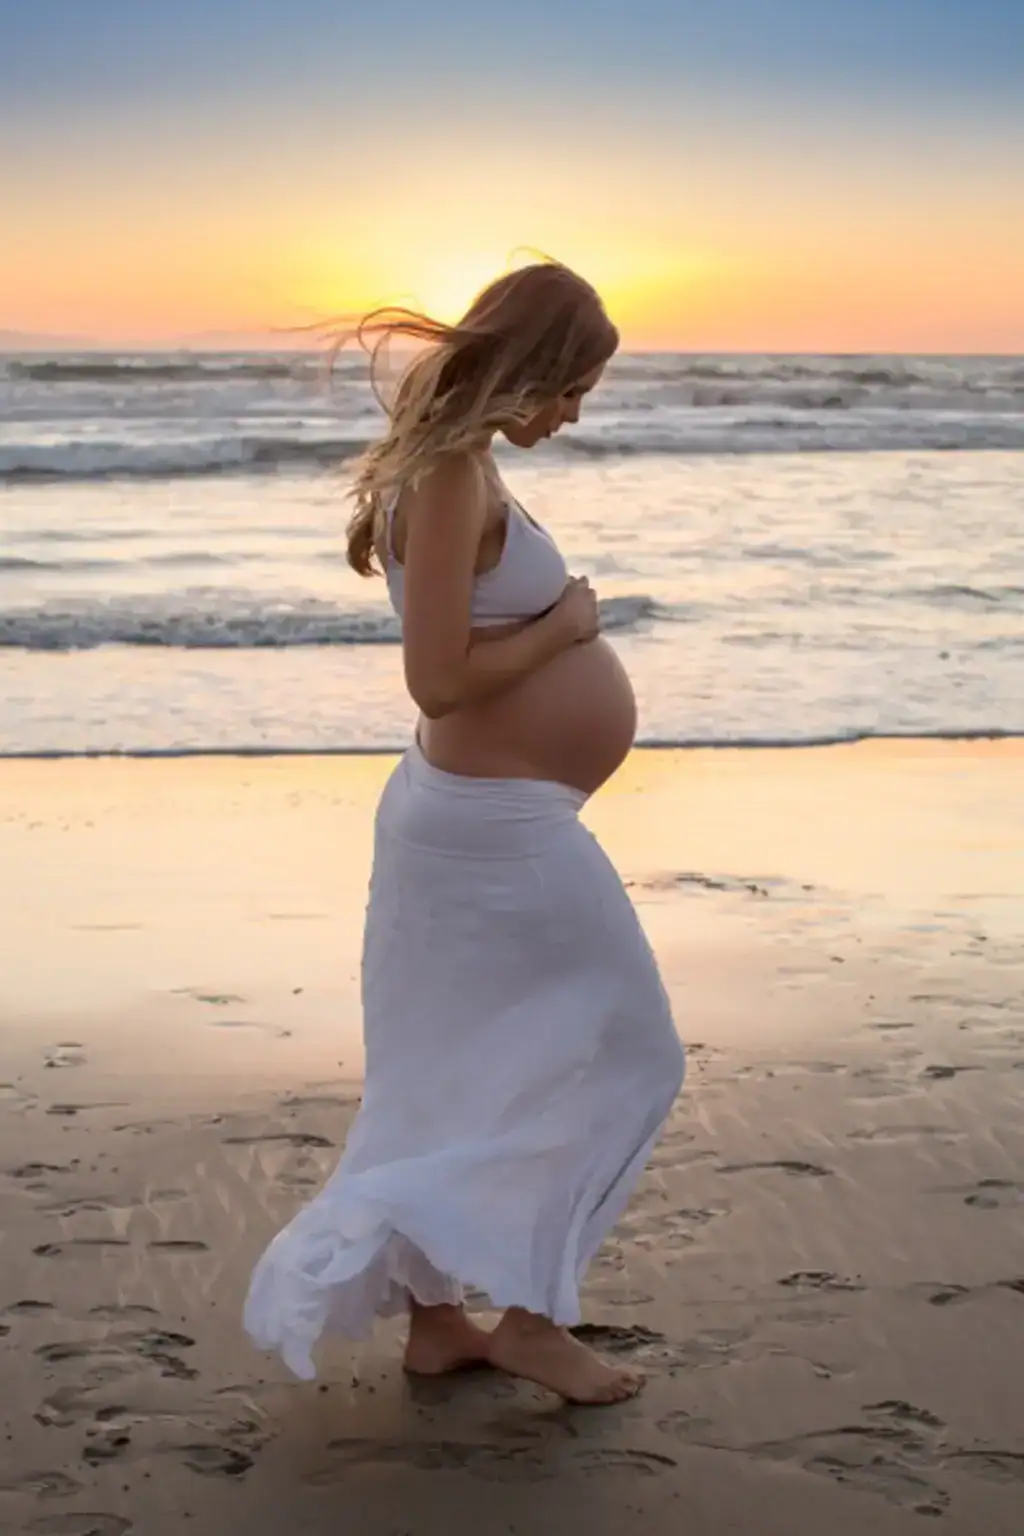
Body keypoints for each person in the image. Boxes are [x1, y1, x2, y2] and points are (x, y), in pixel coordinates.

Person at [244, 259, 686, 1405]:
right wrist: (569, 625)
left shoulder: (465, 466)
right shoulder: (447, 477)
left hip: (473, 824)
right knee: (631, 1049)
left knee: (440, 1076)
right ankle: (533, 1321)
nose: (576, 413)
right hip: (491, 834)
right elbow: (438, 678)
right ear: (531, 367)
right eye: (573, 387)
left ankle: (438, 1326)